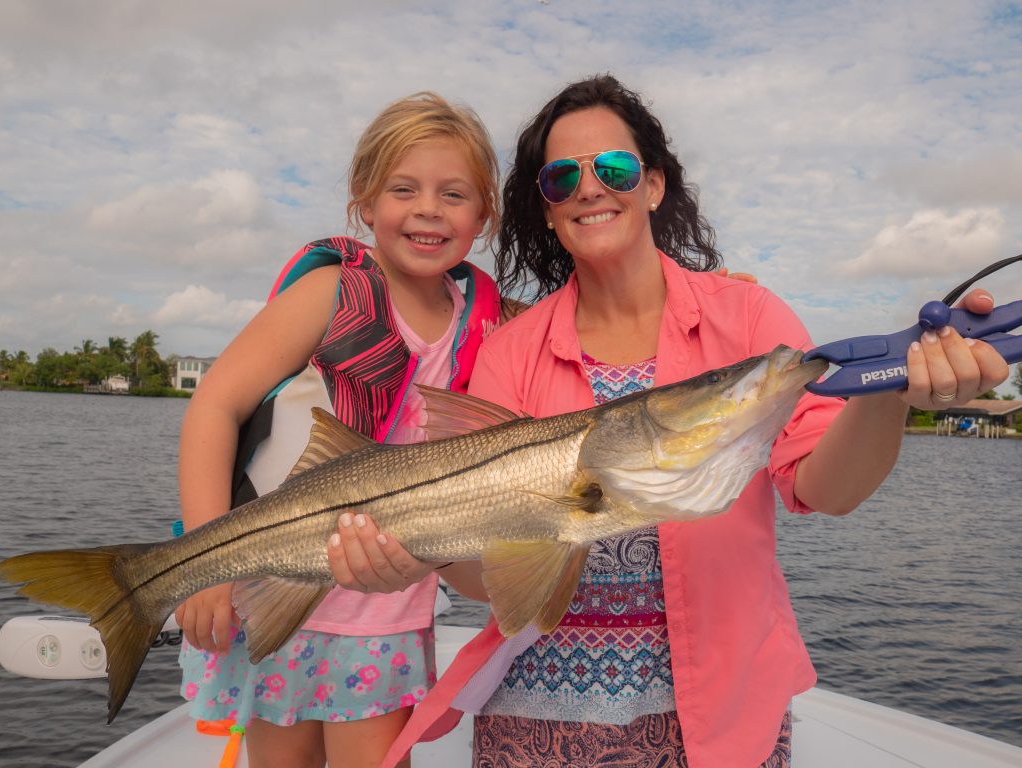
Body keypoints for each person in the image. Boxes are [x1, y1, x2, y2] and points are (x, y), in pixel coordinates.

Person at [326, 75, 1009, 768]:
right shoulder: (509, 351)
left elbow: (827, 489)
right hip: (535, 720)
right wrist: (422, 557)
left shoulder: (749, 318)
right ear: (549, 208)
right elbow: (492, 576)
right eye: (564, 177)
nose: (590, 187)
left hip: (720, 718)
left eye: (614, 168)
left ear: (652, 185)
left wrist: (888, 391)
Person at [173, 91, 504, 768]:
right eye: (404, 188)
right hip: (270, 589)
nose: (428, 210)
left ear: (484, 216)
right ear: (364, 202)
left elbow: (589, 333)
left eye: (453, 194)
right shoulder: (331, 294)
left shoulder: (489, 325)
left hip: (382, 609)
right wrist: (206, 562)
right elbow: (215, 403)